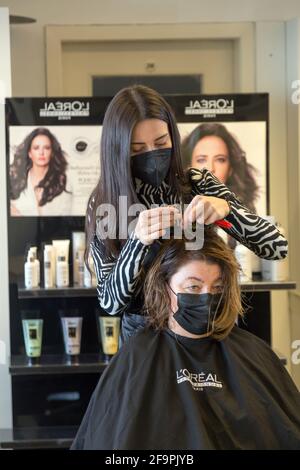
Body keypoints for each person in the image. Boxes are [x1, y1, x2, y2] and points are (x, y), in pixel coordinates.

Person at [86, 84, 287, 343]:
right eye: (137, 149)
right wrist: (137, 243)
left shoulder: (197, 183)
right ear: (118, 150)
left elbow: (277, 247)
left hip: (204, 331)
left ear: (173, 136)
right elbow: (111, 303)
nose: (152, 155)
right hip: (144, 345)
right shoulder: (106, 205)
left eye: (161, 142)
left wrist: (228, 211)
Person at [71, 229, 300, 450]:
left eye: (217, 288)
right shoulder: (136, 357)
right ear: (164, 287)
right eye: (193, 286)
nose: (206, 297)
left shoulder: (253, 353)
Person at [181, 123, 259, 212]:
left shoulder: (245, 215)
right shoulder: (175, 208)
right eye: (201, 160)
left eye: (220, 160)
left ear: (230, 169)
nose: (210, 169)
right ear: (189, 166)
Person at [10, 127, 73, 216]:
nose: (41, 152)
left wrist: (39, 206)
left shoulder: (63, 184)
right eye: (36, 148)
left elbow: (65, 222)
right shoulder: (16, 180)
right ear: (29, 153)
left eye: (46, 148)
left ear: (52, 153)